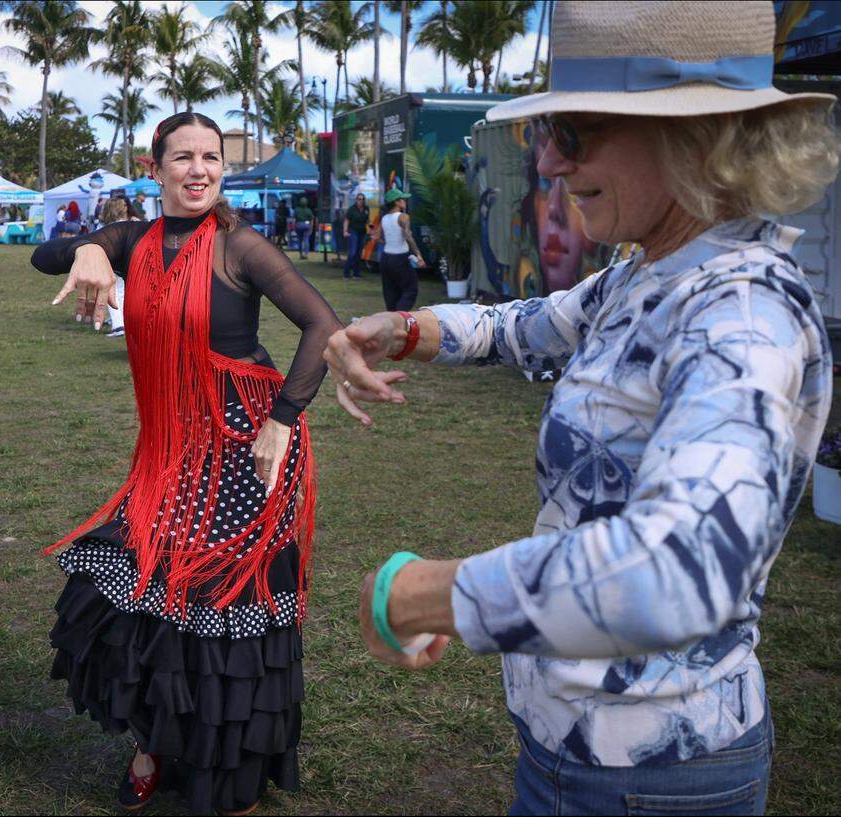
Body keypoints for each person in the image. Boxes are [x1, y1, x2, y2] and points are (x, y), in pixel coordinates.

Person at [324, 3, 839, 814]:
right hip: (582, 750)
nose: (552, 162)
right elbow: (518, 326)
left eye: (576, 131)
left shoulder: (737, 314)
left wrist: (426, 593)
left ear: (696, 133)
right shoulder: (654, 272)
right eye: (550, 131)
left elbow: (682, 568)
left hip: (657, 773)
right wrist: (405, 328)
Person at [32, 111, 342, 816]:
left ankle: (226, 772)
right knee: (131, 594)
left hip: (243, 451)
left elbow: (324, 325)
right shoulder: (133, 239)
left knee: (221, 611)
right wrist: (88, 250)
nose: (198, 169)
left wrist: (282, 421)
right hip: (169, 453)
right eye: (183, 157)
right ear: (155, 168)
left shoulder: (239, 246)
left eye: (211, 157)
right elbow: (44, 258)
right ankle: (151, 744)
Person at [377, 188, 426, 311]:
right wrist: (419, 256)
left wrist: (391, 241)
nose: (405, 201)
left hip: (386, 258)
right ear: (396, 202)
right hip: (400, 258)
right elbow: (408, 237)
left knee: (391, 292)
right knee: (411, 288)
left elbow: (378, 237)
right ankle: (400, 316)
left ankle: (391, 317)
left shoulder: (384, 218)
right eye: (403, 199)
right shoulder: (403, 217)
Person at [97, 197, 129, 338]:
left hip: (109, 263)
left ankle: (118, 325)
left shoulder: (102, 227)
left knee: (112, 294)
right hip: (126, 263)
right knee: (121, 293)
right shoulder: (127, 225)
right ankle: (122, 323)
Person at [342, 193, 370, 280]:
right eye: (358, 199)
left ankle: (356, 274)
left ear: (364, 200)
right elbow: (346, 220)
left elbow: (367, 220)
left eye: (361, 199)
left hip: (362, 232)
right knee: (352, 252)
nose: (360, 201)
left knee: (359, 253)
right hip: (353, 231)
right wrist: (345, 231)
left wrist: (370, 226)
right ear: (356, 200)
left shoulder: (366, 209)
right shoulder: (352, 209)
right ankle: (346, 273)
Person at [292, 195, 314, 260]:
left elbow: (294, 219)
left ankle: (301, 254)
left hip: (299, 225)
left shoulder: (296, 209)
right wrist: (311, 228)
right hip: (307, 225)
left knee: (300, 240)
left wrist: (294, 227)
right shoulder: (309, 210)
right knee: (306, 239)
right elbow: (312, 220)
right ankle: (306, 254)